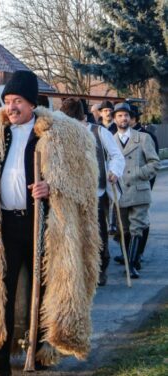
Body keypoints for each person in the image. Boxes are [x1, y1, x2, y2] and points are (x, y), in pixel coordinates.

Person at [0, 71, 100, 375]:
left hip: (42, 224)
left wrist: (52, 187)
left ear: (31, 103)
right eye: (8, 101)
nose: (11, 107)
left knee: (42, 288)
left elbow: (82, 183)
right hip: (2, 226)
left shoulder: (58, 134)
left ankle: (37, 349)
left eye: (17, 101)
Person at [59, 98, 124, 286]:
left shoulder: (98, 131)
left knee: (98, 232)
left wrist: (114, 171)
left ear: (81, 118)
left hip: (97, 191)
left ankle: (101, 267)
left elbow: (116, 155)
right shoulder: (64, 133)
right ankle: (79, 269)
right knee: (75, 232)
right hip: (72, 191)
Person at [111, 102, 159, 278]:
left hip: (139, 190)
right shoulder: (110, 140)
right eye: (120, 115)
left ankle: (131, 265)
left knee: (137, 227)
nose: (123, 118)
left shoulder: (143, 138)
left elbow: (155, 163)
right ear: (114, 119)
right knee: (123, 230)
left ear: (131, 118)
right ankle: (130, 258)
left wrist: (138, 173)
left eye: (126, 115)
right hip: (120, 192)